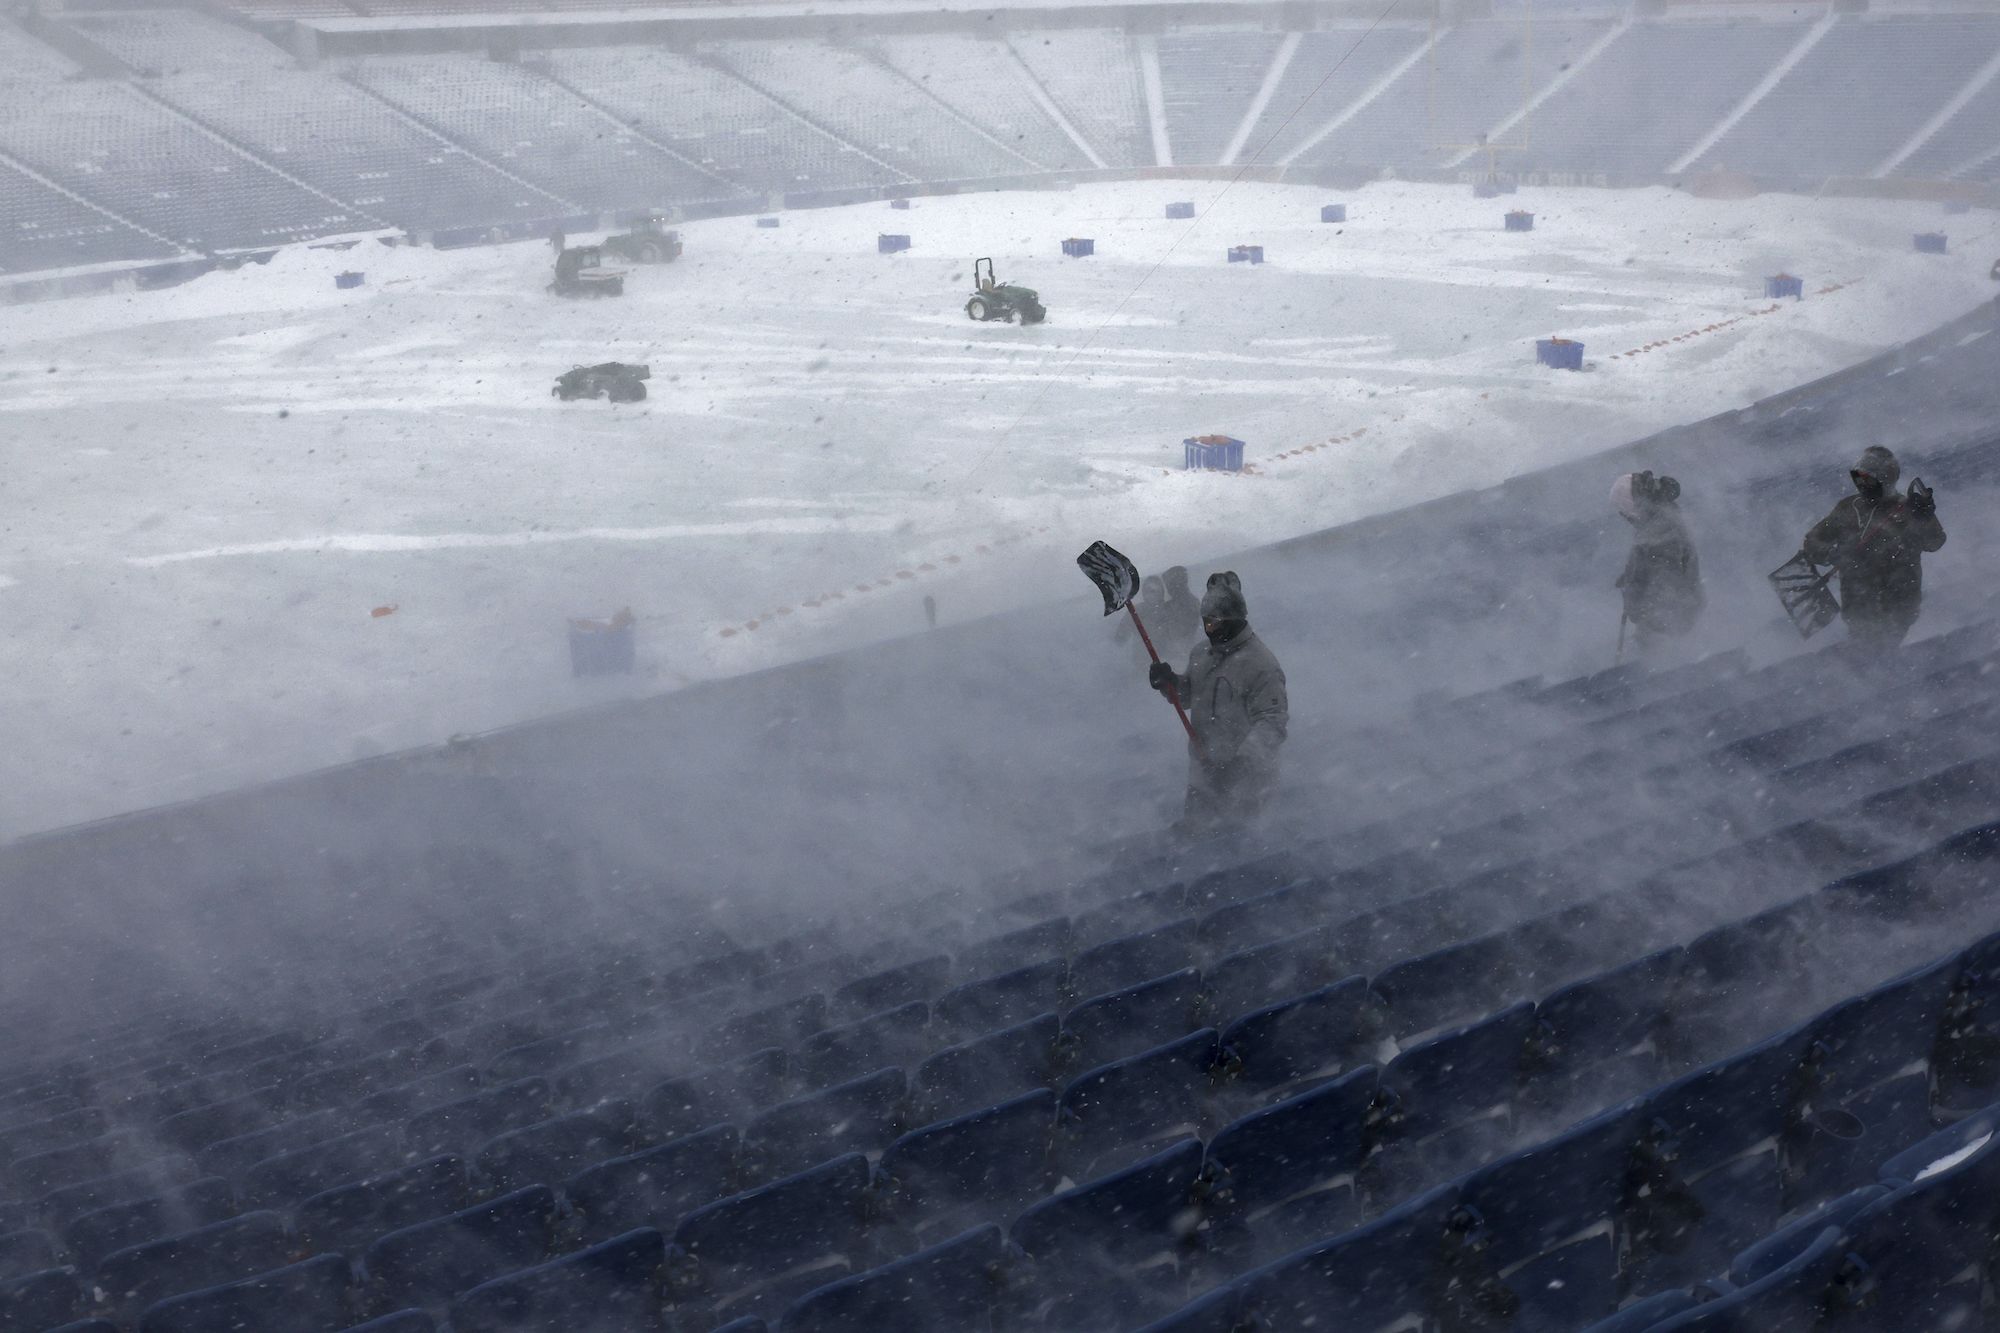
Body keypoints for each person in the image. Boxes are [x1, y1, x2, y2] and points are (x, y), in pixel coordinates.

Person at [1147, 572, 1289, 831]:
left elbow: (1272, 722)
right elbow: (1189, 696)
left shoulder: (1261, 665)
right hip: (1204, 772)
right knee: (1195, 836)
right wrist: (1169, 683)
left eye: (1215, 623)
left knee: (1236, 845)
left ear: (1234, 621)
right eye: (1206, 622)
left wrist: (1240, 765)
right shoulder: (1201, 653)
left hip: (1247, 782)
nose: (1208, 629)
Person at [1801, 445, 1944, 649]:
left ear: (1884, 480)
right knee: (1864, 652)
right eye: (1858, 478)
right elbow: (1813, 540)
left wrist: (1925, 517)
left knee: (1883, 654)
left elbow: (1935, 541)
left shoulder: (1910, 510)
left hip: (1898, 608)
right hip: (1857, 609)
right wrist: (1832, 554)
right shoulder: (1848, 508)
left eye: (1868, 479)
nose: (1861, 484)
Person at [1612, 470, 1703, 654]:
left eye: (1624, 512)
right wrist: (1631, 575)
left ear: (1633, 507)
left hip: (1669, 625)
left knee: (1650, 663)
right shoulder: (1657, 519)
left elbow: (1664, 588)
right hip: (1665, 621)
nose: (1625, 518)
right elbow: (1648, 558)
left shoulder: (1660, 531)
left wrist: (1634, 598)